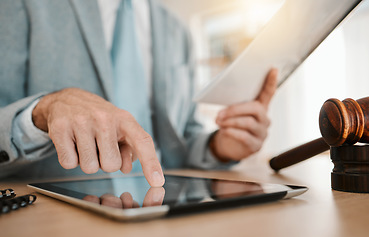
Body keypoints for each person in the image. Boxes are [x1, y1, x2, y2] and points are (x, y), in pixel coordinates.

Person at [0, 0, 277, 187]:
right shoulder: (19, 6)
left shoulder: (178, 31)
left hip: (165, 210)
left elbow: (182, 138)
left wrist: (220, 147)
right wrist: (44, 110)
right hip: (57, 220)